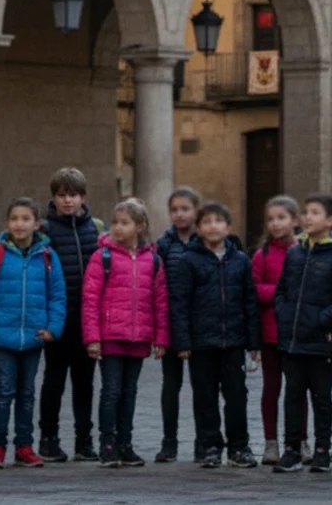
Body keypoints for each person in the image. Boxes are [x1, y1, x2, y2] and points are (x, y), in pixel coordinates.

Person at [0, 198, 67, 468]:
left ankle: (24, 447)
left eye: (26, 219)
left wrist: (53, 328)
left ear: (36, 224)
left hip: (34, 338)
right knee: (3, 392)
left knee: (27, 394)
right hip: (2, 337)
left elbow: (57, 296)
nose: (19, 224)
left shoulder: (48, 256)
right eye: (14, 218)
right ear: (6, 223)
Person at [171, 201, 261, 469]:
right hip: (201, 343)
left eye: (218, 221)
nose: (213, 226)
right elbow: (179, 303)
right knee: (205, 397)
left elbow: (250, 302)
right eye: (207, 222)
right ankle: (210, 445)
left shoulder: (240, 260)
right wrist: (183, 341)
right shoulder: (188, 260)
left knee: (237, 396)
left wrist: (253, 342)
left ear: (228, 227)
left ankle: (239, 447)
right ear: (198, 228)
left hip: (233, 342)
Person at [271, 194, 332, 474]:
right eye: (307, 212)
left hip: (321, 341)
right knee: (292, 397)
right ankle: (292, 449)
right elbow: (282, 290)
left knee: (321, 398)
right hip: (293, 341)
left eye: (315, 213)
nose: (308, 217)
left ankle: (322, 449)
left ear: (330, 221)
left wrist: (321, 320)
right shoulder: (295, 252)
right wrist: (284, 316)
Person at [81, 199, 169, 468]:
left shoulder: (153, 261)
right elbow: (90, 298)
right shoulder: (102, 257)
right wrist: (92, 337)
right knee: (111, 392)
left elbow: (160, 302)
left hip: (138, 337)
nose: (118, 228)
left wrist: (161, 339)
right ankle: (107, 444)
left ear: (140, 227)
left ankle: (125, 443)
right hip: (110, 336)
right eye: (115, 222)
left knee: (129, 392)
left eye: (125, 223)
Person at [38, 167, 105, 463]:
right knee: (53, 380)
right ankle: (48, 439)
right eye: (62, 196)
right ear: (54, 198)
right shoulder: (45, 231)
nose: (68, 201)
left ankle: (83, 440)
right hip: (56, 319)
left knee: (85, 383)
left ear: (83, 197)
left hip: (87, 319)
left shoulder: (95, 229)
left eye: (73, 195)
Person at [252, 195, 302, 466]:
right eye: (270, 219)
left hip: (298, 332)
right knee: (271, 388)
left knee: (298, 389)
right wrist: (282, 293)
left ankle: (299, 440)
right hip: (271, 333)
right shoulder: (263, 255)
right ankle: (270, 442)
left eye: (281, 218)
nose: (275, 223)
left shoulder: (304, 250)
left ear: (295, 221)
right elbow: (255, 288)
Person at [155, 186, 202, 463]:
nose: (180, 214)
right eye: (174, 209)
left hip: (199, 325)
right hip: (171, 323)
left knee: (201, 386)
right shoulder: (163, 245)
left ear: (196, 211)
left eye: (185, 209)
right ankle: (169, 441)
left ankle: (202, 441)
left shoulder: (205, 241)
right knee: (170, 385)